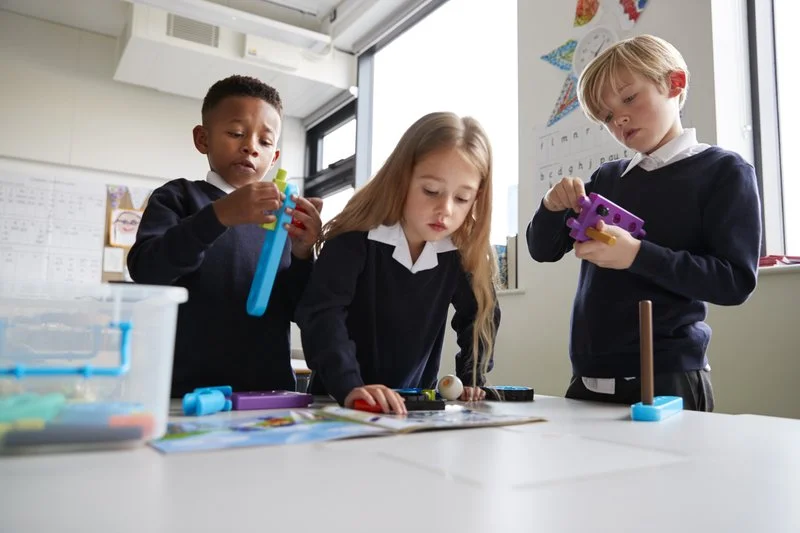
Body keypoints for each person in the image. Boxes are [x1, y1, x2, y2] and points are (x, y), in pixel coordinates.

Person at [527, 35, 762, 411]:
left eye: (629, 98)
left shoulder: (724, 172)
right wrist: (551, 206)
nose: (618, 118)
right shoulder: (607, 178)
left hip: (668, 376)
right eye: (605, 116)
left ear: (674, 83)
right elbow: (542, 250)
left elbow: (734, 281)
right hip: (588, 375)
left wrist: (637, 255)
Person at [128, 75, 323, 397]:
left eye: (265, 142)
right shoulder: (179, 197)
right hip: (186, 392)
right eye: (236, 133)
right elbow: (147, 270)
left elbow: (301, 309)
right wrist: (218, 216)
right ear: (203, 139)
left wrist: (304, 252)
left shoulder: (280, 221)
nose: (250, 147)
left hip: (267, 393)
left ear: (274, 158)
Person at [296, 112, 501, 413]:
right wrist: (351, 385)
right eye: (431, 191)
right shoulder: (354, 240)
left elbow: (481, 313)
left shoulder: (457, 254)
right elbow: (322, 315)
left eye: (462, 198)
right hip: (340, 402)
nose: (444, 209)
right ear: (402, 177)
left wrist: (472, 377)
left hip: (415, 407)